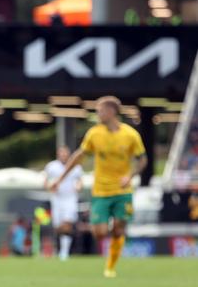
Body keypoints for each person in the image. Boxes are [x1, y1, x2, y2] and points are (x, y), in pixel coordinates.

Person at [50, 96, 147, 278]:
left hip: (123, 191)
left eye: (100, 111)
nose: (98, 114)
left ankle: (110, 267)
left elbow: (142, 160)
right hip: (101, 191)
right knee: (100, 233)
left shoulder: (130, 135)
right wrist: (61, 179)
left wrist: (131, 176)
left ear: (111, 112)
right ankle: (112, 233)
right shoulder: (94, 134)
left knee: (118, 229)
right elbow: (79, 156)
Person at [44, 146, 83, 261]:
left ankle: (64, 252)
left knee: (67, 223)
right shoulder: (51, 166)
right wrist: (50, 187)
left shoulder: (76, 167)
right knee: (58, 226)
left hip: (70, 198)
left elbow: (80, 181)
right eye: (61, 153)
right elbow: (45, 181)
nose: (63, 155)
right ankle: (59, 248)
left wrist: (78, 187)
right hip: (57, 199)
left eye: (65, 153)